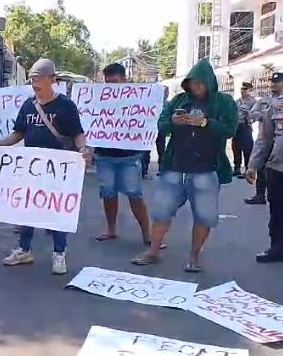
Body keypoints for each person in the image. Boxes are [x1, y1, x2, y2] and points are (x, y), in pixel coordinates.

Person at [131, 59, 238, 272]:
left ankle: (194, 255)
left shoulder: (224, 102)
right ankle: (153, 251)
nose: (195, 88)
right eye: (192, 83)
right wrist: (173, 121)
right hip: (175, 166)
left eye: (199, 84)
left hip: (206, 168)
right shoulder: (179, 100)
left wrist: (206, 123)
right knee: (162, 210)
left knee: (204, 215)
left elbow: (230, 130)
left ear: (209, 83)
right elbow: (161, 124)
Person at [0, 59, 90, 275]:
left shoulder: (65, 105)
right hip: (32, 167)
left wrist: (83, 150)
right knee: (27, 210)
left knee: (56, 210)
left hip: (58, 167)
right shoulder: (28, 105)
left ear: (51, 80)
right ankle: (24, 250)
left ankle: (59, 253)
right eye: (33, 79)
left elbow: (77, 133)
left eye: (39, 78)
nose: (35, 83)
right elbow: (18, 133)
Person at [93, 63, 151, 246]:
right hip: (104, 157)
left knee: (135, 194)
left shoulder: (137, 100)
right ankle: (111, 230)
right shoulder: (99, 100)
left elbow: (147, 119)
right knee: (108, 194)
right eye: (107, 82)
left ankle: (147, 234)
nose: (111, 86)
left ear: (124, 80)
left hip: (129, 157)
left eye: (115, 81)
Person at [246, 71, 283, 263]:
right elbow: (264, 139)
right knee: (277, 210)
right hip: (277, 167)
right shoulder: (276, 106)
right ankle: (277, 248)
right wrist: (253, 165)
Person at [245, 73, 283, 205]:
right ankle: (260, 195)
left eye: (277, 82)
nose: (273, 84)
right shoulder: (271, 103)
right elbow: (264, 139)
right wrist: (253, 165)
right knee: (277, 216)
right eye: (272, 82)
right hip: (277, 162)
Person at [232, 82, 257, 179]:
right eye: (242, 89)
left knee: (247, 149)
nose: (243, 91)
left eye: (245, 89)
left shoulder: (253, 102)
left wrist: (248, 113)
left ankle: (247, 169)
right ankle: (237, 168)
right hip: (236, 126)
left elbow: (256, 115)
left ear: (250, 90)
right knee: (235, 147)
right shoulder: (237, 101)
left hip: (245, 126)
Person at [155, 86, 170, 176]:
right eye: (164, 92)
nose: (166, 94)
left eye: (166, 92)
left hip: (161, 129)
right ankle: (143, 171)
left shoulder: (168, 104)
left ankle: (162, 168)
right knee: (146, 150)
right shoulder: (154, 102)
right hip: (151, 129)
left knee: (161, 149)